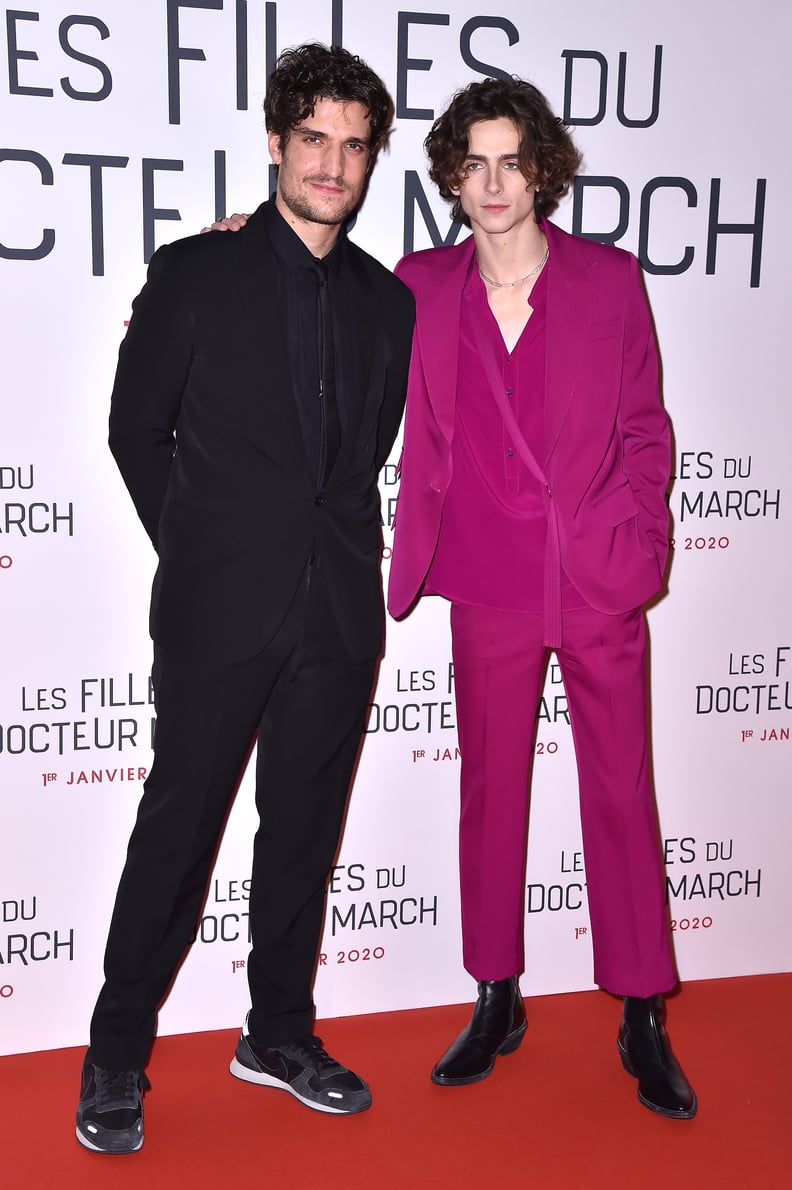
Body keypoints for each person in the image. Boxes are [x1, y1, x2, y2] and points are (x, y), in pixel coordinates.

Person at [76, 42, 414, 1155]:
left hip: (335, 612)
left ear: (370, 159)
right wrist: (205, 546)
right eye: (312, 138)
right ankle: (116, 1054)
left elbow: (362, 452)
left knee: (303, 834)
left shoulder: (386, 303)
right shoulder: (197, 270)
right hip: (219, 605)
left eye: (352, 145)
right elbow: (137, 430)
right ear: (276, 141)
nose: (331, 163)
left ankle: (277, 1034)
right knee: (178, 829)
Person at [387, 77, 696, 1118]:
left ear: (543, 167)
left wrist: (639, 535)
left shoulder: (609, 280)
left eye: (511, 159)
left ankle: (642, 1005)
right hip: (489, 577)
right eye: (472, 162)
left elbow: (647, 425)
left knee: (620, 787)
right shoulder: (421, 286)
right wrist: (242, 245)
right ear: (451, 178)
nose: (493, 182)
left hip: (598, 572)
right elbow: (332, 323)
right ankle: (496, 991)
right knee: (493, 794)